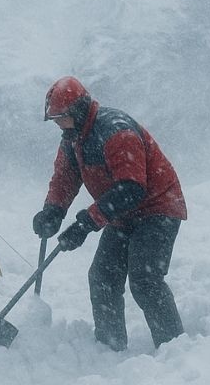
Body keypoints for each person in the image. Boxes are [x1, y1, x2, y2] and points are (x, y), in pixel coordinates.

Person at [31, 76, 187, 351]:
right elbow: (64, 178)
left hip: (157, 208)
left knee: (144, 278)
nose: (57, 124)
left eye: (60, 118)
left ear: (78, 111)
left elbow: (131, 189)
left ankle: (175, 348)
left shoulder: (116, 131)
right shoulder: (73, 137)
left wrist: (86, 223)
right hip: (123, 215)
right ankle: (109, 348)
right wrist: (52, 211)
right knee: (102, 276)